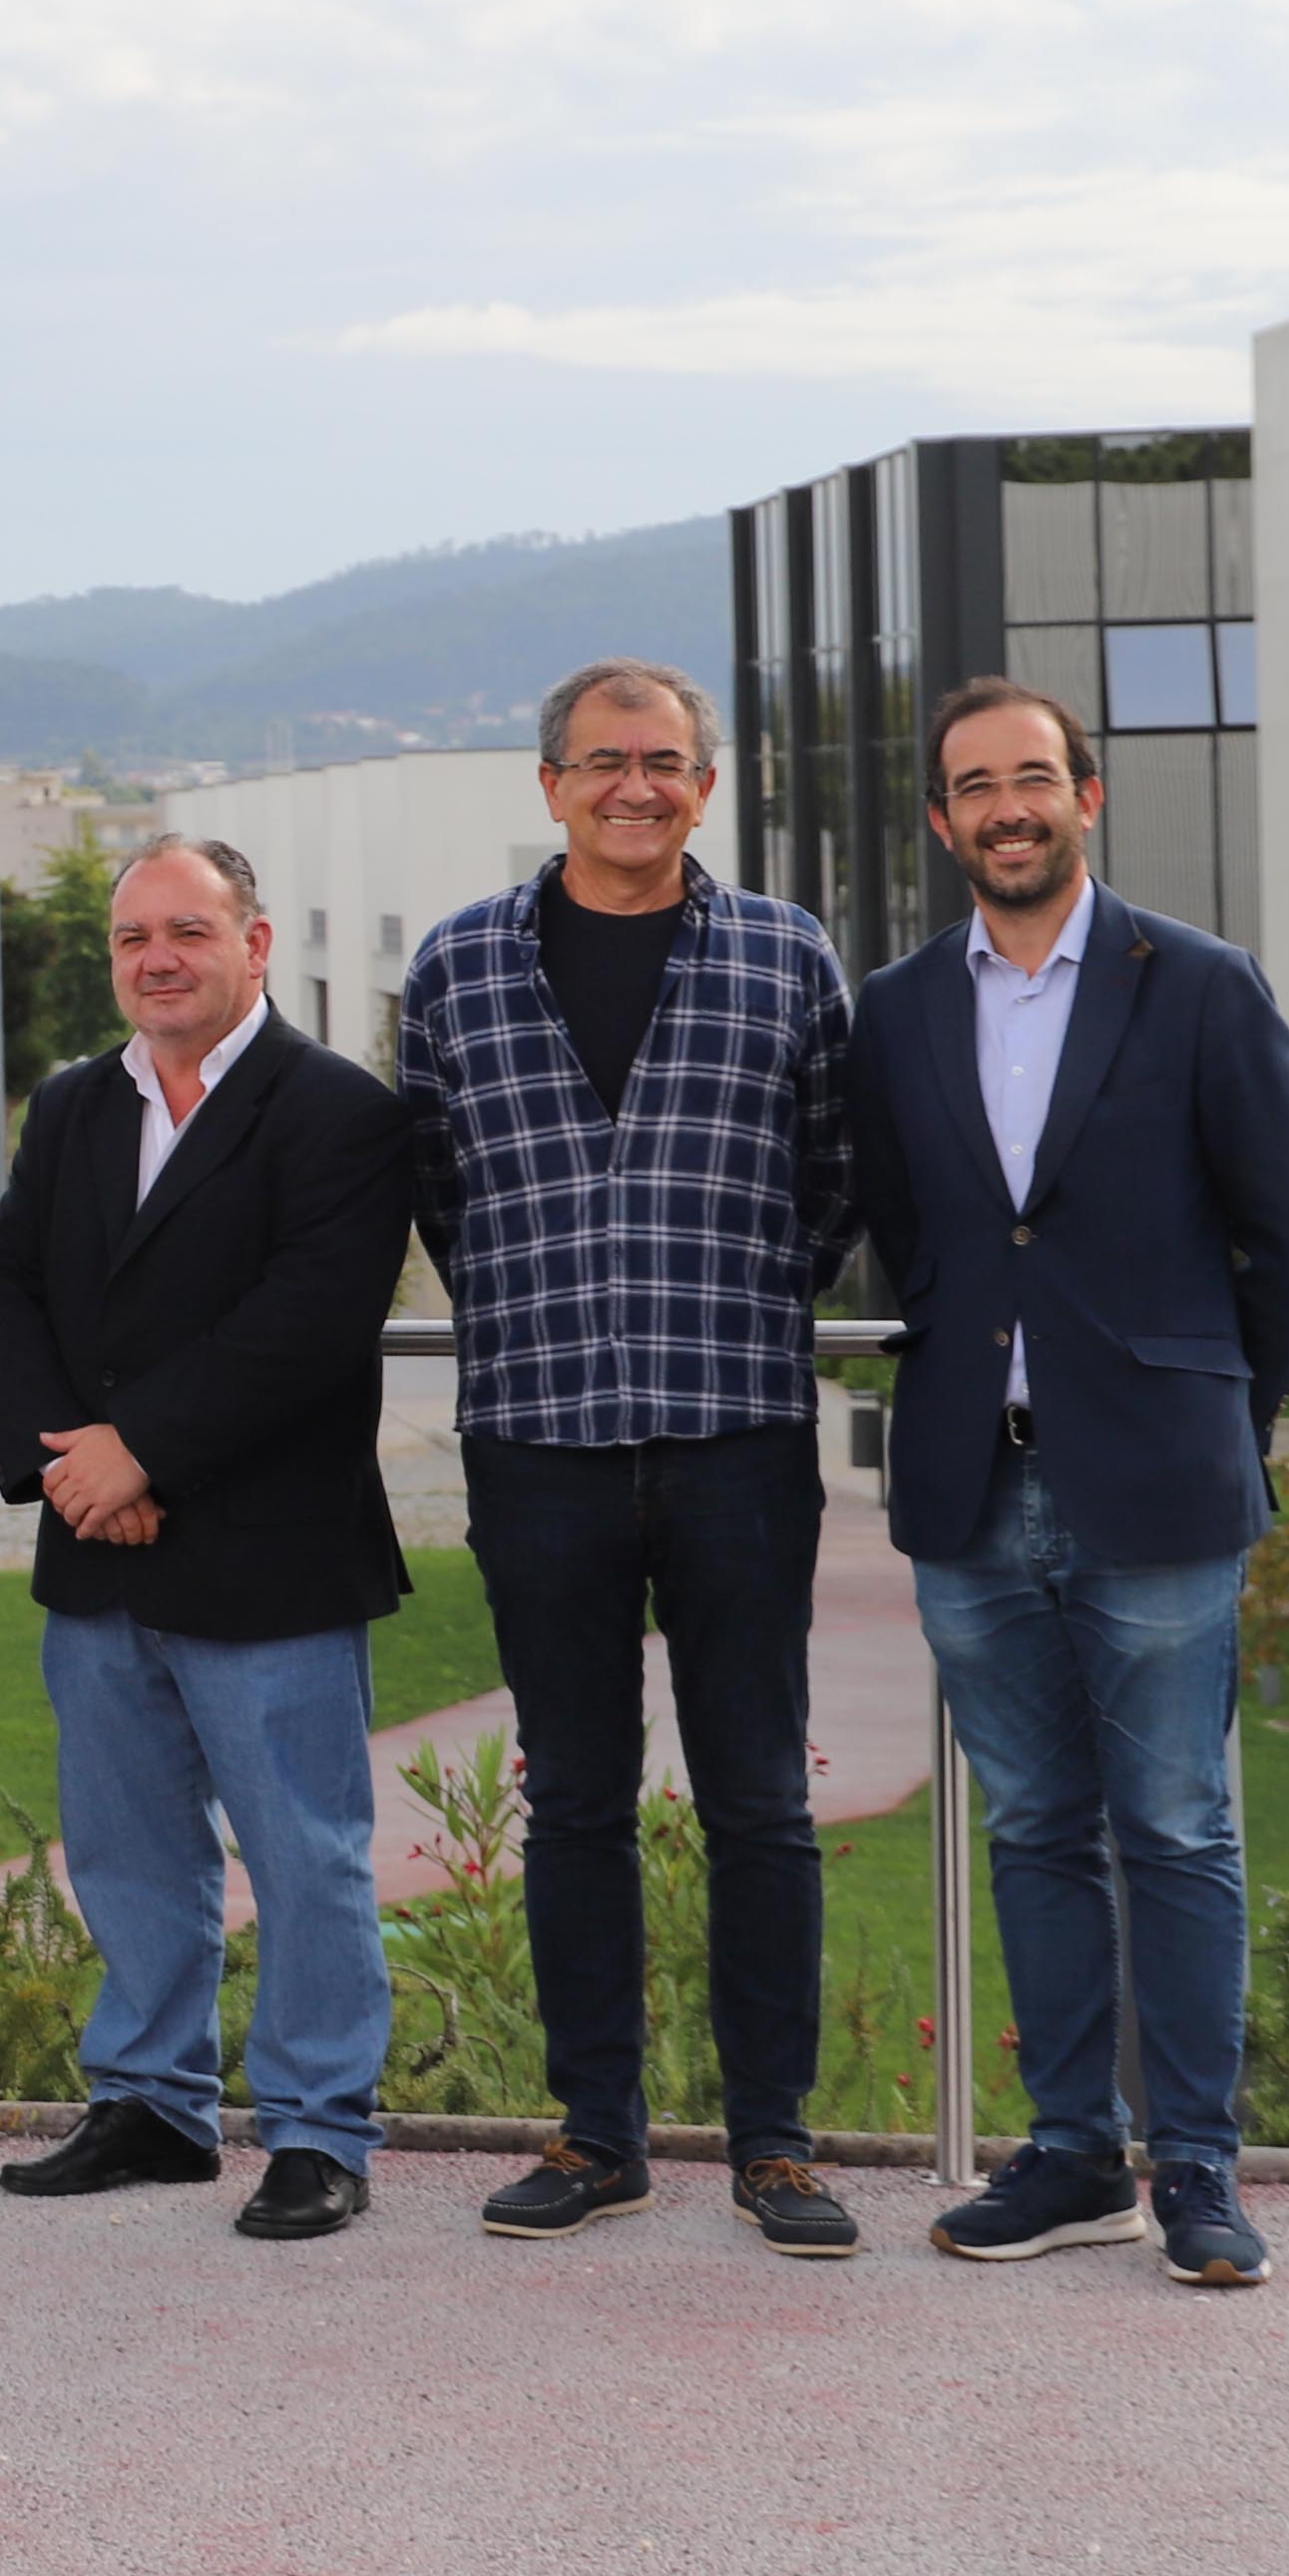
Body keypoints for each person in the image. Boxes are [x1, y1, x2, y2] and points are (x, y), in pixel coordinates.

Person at [852, 675, 1289, 2290]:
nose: (1008, 808)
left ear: (1087, 796)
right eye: (976, 787)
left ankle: (1197, 2167)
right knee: (1036, 1828)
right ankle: (1072, 2155)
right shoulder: (896, 1009)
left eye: (1034, 779)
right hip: (969, 1490)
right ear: (943, 821)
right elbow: (916, 1236)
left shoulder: (1196, 983)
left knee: (1180, 1830)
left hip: (1158, 1482)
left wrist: (1217, 1407)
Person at [401, 656, 866, 2260]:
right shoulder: (458, 967)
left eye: (664, 762)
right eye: (603, 761)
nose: (634, 787)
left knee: (761, 1804)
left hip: (738, 1431)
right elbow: (442, 1192)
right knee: (577, 1804)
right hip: (540, 1441)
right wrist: (548, 1313)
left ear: (704, 785)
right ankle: (597, 2136)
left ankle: (776, 2147)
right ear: (551, 785)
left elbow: (832, 1178)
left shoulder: (787, 955)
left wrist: (723, 1304)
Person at [0, 834, 415, 2242]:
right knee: (126, 1851)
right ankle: (153, 2106)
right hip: (99, 1544)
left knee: (304, 1854)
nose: (157, 960)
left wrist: (143, 1450)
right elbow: (10, 1284)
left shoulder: (337, 1109)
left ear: (255, 943)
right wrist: (73, 1466)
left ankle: (318, 2128)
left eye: (188, 932)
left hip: (268, 1552)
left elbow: (310, 1321)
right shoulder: (73, 1105)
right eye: (133, 938)